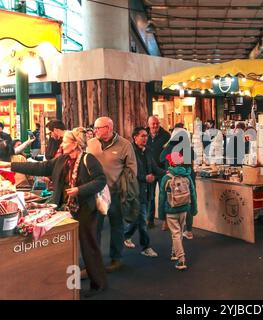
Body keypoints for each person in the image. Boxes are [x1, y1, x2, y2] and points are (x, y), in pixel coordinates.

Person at [2, 128, 108, 298]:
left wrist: (80, 190)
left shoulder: (89, 159)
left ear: (75, 144)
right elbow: (39, 167)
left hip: (85, 210)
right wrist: (10, 165)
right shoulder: (62, 160)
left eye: (65, 141)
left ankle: (99, 283)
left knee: (89, 246)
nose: (61, 144)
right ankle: (65, 284)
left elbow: (101, 180)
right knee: (67, 247)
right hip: (64, 209)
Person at [87, 117, 137, 273]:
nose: (95, 131)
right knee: (95, 228)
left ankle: (117, 259)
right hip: (96, 193)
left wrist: (123, 185)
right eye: (94, 128)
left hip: (115, 193)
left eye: (98, 128)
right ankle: (94, 261)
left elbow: (132, 169)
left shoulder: (125, 145)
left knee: (117, 227)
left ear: (108, 128)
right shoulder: (91, 144)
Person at [124, 127, 166, 256]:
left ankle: (125, 235)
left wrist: (167, 172)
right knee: (142, 220)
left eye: (146, 136)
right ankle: (146, 247)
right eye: (142, 136)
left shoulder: (148, 150)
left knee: (138, 218)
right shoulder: (130, 151)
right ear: (135, 137)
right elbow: (128, 172)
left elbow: (153, 167)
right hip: (135, 190)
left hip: (147, 190)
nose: (145, 138)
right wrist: (144, 178)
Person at [158, 152, 197, 270]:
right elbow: (193, 194)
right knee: (179, 232)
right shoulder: (187, 176)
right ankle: (174, 253)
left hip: (171, 210)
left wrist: (161, 214)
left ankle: (181, 260)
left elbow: (161, 198)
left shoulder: (166, 178)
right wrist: (194, 209)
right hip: (184, 208)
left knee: (175, 233)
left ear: (170, 163)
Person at [160, 127, 196, 239]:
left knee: (172, 201)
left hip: (174, 179)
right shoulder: (187, 147)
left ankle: (174, 229)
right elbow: (193, 159)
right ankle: (189, 230)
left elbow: (161, 158)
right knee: (188, 201)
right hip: (188, 177)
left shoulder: (170, 146)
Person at [146, 116, 170, 228]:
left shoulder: (166, 135)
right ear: (148, 124)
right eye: (153, 124)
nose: (155, 126)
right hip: (150, 170)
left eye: (157, 123)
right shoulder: (144, 134)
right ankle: (150, 220)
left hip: (162, 170)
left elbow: (168, 154)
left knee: (163, 196)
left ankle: (165, 220)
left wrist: (167, 170)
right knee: (150, 196)